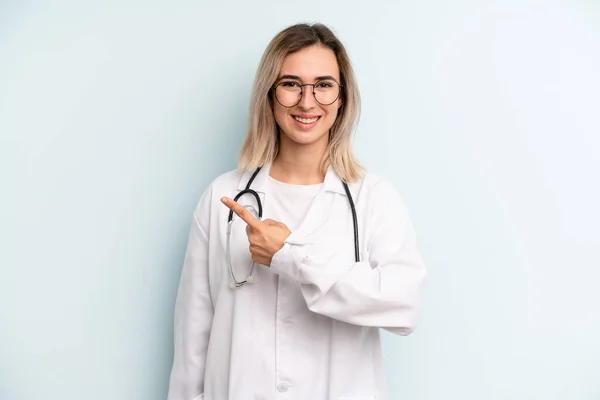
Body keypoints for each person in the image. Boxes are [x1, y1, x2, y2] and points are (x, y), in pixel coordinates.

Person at [167, 22, 426, 400]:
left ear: (342, 98)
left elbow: (403, 305)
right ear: (270, 96)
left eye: (323, 85)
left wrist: (290, 257)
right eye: (290, 84)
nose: (307, 102)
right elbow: (193, 333)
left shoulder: (374, 198)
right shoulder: (223, 196)